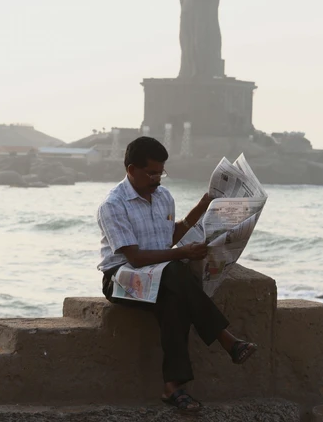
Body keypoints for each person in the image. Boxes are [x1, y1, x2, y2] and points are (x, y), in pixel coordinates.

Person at [97, 136, 257, 412]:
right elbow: (134, 257)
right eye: (151, 173)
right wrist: (182, 254)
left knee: (175, 302)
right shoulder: (113, 204)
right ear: (131, 169)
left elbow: (170, 237)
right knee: (175, 270)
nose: (157, 178)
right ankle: (226, 338)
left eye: (161, 172)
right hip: (122, 278)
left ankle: (174, 387)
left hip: (160, 276)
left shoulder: (164, 197)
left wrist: (205, 204)